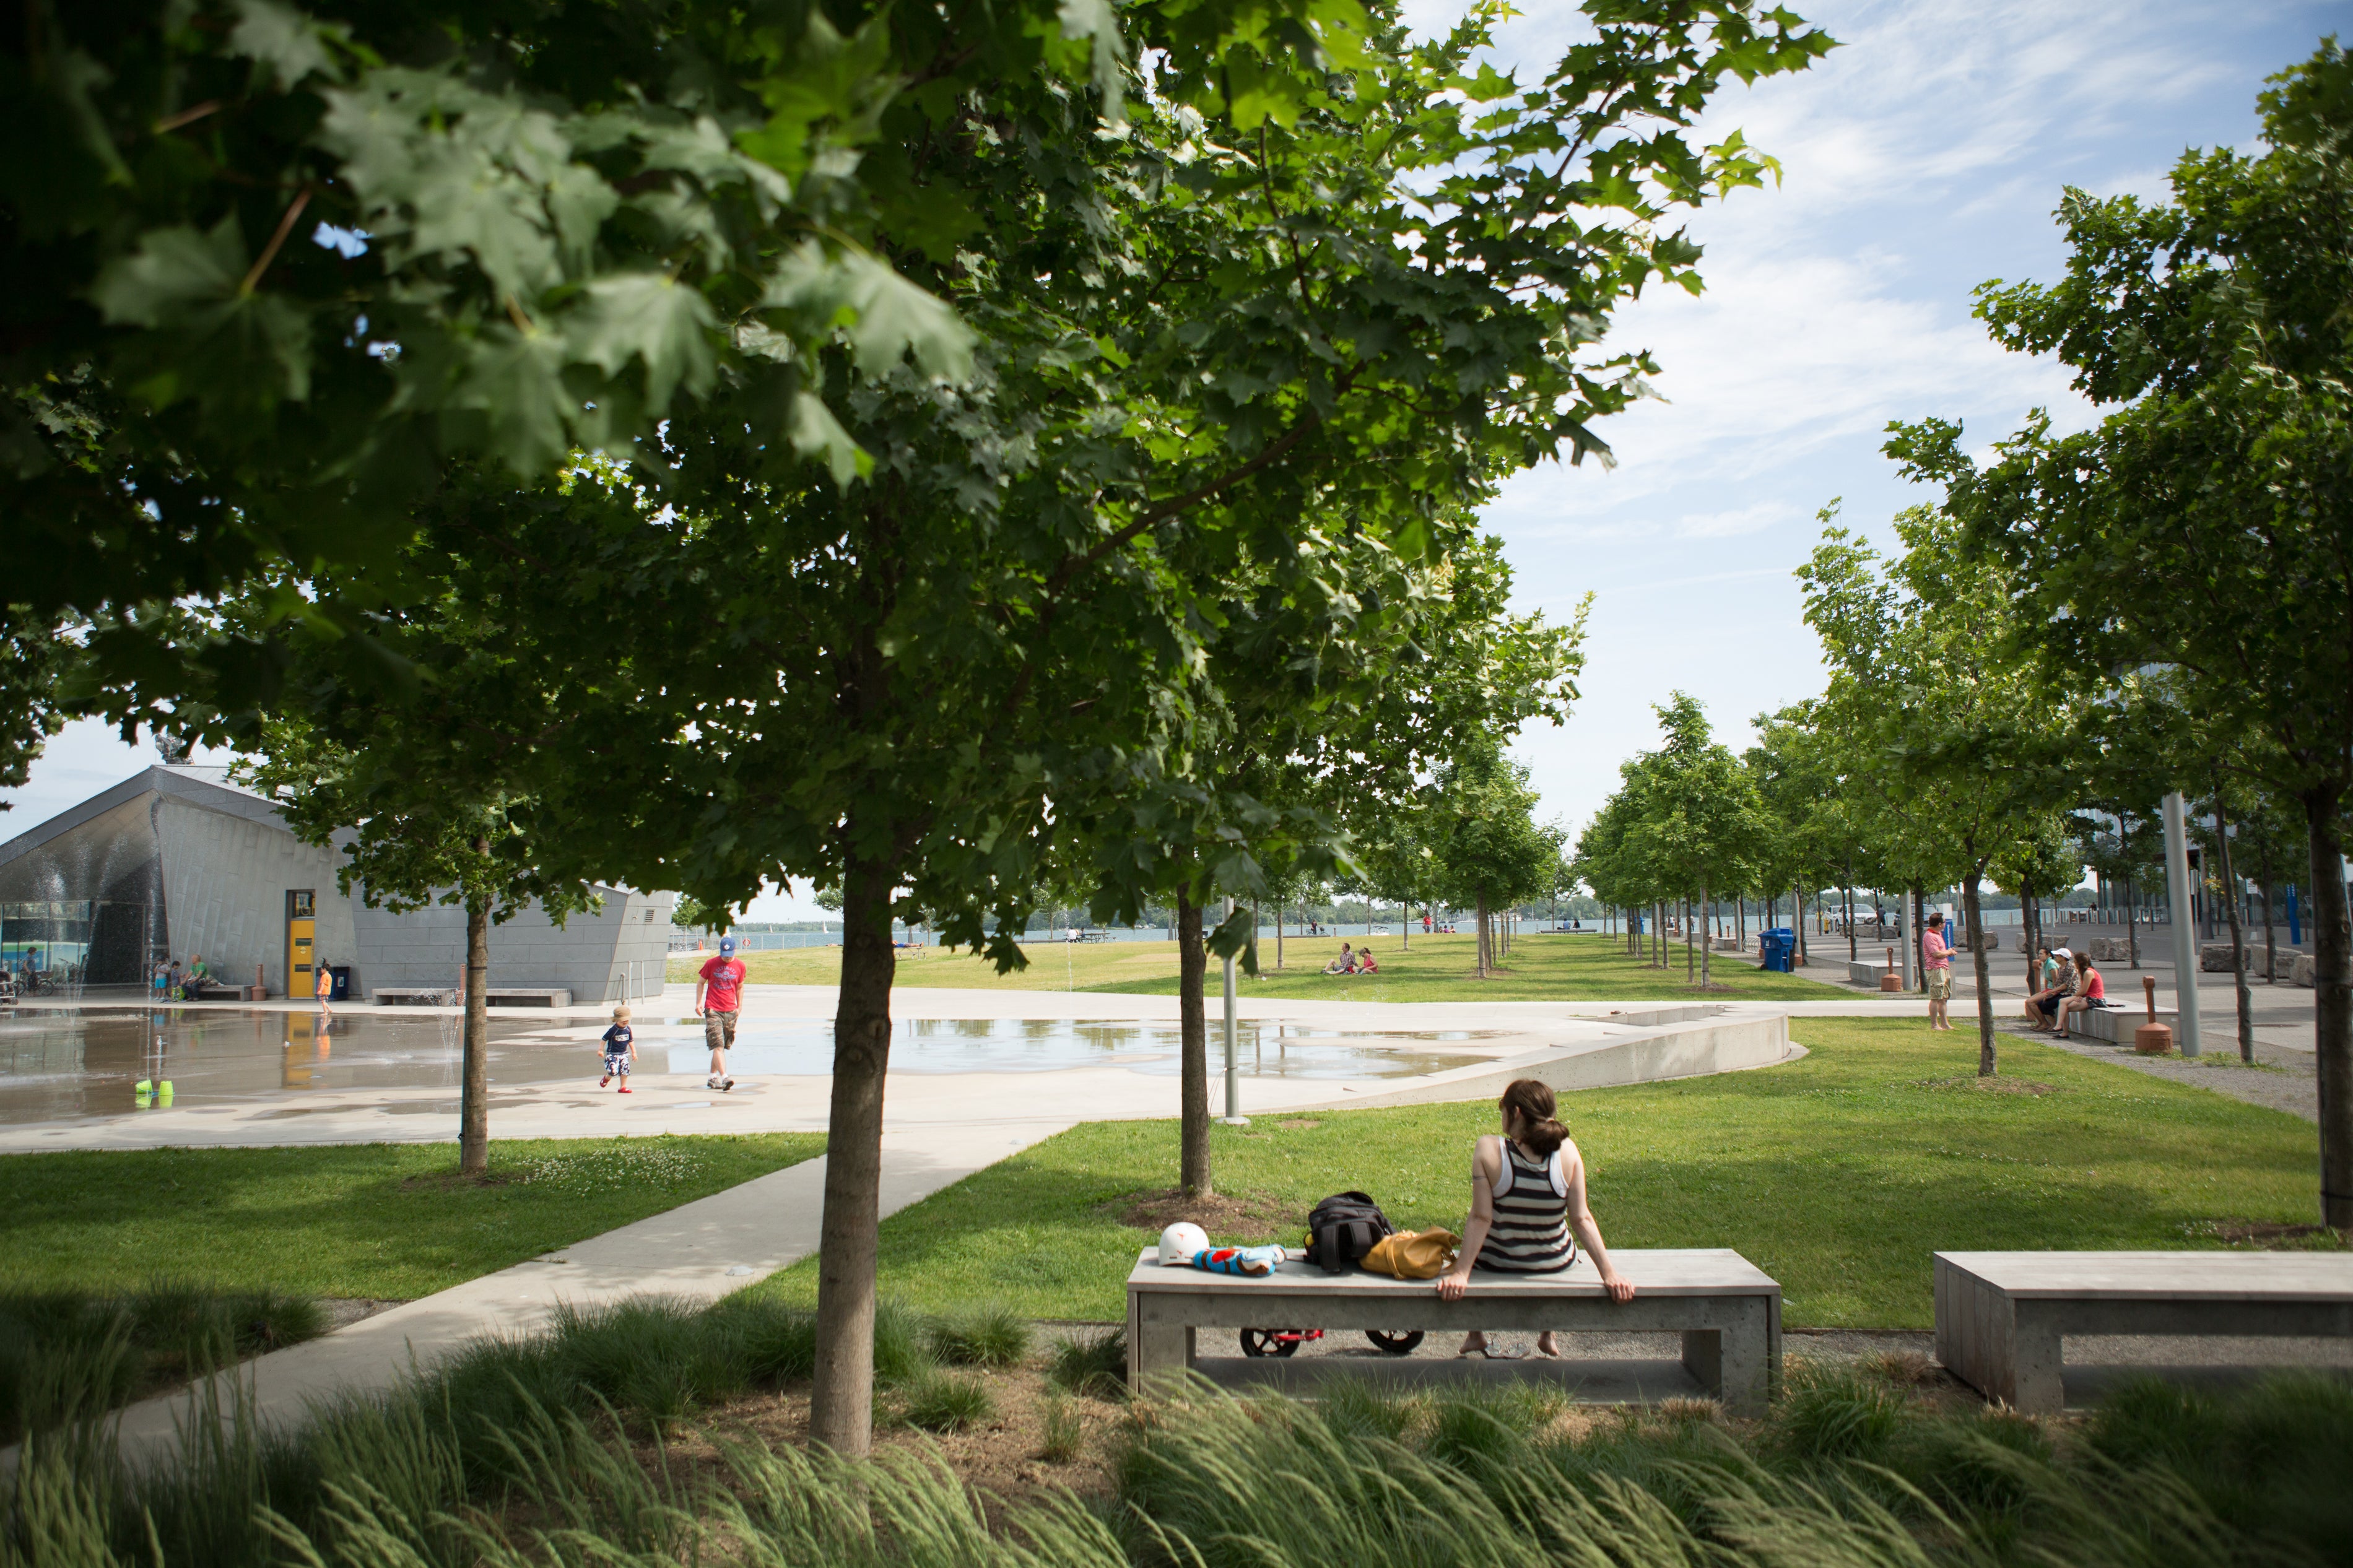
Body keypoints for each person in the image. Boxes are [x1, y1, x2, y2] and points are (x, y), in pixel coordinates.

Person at [1436, 1078, 1635, 1358]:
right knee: (1556, 1240)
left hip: (1499, 1263)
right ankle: (1547, 1334)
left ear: (1515, 1113)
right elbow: (1582, 1219)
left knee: (1478, 1250)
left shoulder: (1489, 1149)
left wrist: (1460, 1274)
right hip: (1555, 1265)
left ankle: (1475, 1334)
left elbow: (1482, 1218)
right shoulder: (1568, 1151)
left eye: (1502, 1109)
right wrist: (1610, 1274)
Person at [695, 935, 744, 1091]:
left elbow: (740, 987)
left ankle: (712, 1077)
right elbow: (701, 982)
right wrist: (698, 1002)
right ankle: (725, 1077)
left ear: (735, 951)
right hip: (713, 1009)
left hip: (730, 1010)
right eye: (724, 956)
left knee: (722, 1047)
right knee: (718, 1044)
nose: (727, 959)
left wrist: (739, 1007)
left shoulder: (741, 966)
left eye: (729, 957)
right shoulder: (711, 963)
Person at [2055, 951, 2107, 1036]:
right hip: (2087, 997)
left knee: (2063, 1002)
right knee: (2064, 1007)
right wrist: (2080, 996)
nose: (2074, 964)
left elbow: (2084, 990)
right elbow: (2083, 990)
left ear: (2080, 963)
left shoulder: (2089, 972)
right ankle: (2063, 1032)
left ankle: (2059, 1026)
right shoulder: (2083, 973)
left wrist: (2078, 996)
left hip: (2094, 999)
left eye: (2075, 962)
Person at [1921, 912, 1955, 1031]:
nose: (1945, 924)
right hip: (1935, 969)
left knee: (1944, 998)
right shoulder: (1930, 936)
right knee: (1935, 997)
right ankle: (1934, 1025)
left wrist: (1948, 952)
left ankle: (1945, 1024)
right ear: (1940, 924)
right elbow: (1936, 954)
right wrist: (1949, 952)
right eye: (1944, 922)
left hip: (1943, 968)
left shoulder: (1938, 935)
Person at [600, 1004, 637, 1092]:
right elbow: (604, 1039)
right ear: (616, 1020)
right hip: (613, 1054)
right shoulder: (613, 1030)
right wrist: (600, 1050)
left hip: (624, 1054)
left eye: (626, 1020)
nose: (625, 1022)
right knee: (613, 1071)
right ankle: (607, 1078)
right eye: (622, 1021)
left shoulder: (628, 1029)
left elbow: (631, 1041)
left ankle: (623, 1087)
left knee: (625, 1070)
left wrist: (634, 1052)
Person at [313, 955, 334, 1020]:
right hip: (328, 990)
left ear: (324, 969)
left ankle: (325, 1012)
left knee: (323, 1002)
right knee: (325, 1001)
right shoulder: (329, 975)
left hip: (324, 990)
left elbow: (323, 984)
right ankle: (330, 1010)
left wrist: (320, 990)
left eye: (322, 969)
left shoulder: (324, 976)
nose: (321, 971)